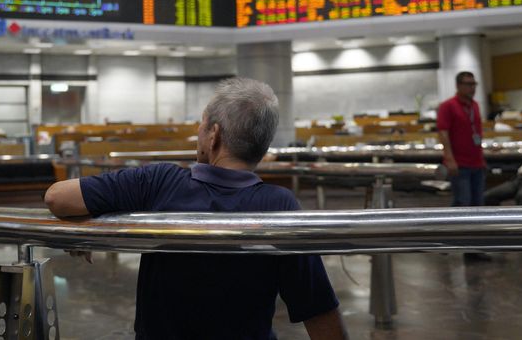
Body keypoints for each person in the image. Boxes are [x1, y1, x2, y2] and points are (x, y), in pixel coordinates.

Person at [44, 77, 347, 340]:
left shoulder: (159, 182)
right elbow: (318, 309)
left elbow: (58, 197)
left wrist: (91, 224)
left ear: (213, 135)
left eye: (201, 125)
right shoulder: (279, 205)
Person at [437, 71, 486, 207]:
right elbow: (443, 132)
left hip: (477, 163)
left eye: (474, 84)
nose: (472, 88)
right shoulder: (447, 106)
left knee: (478, 203)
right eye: (469, 84)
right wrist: (449, 159)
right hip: (459, 164)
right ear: (458, 85)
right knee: (463, 202)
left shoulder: (475, 105)